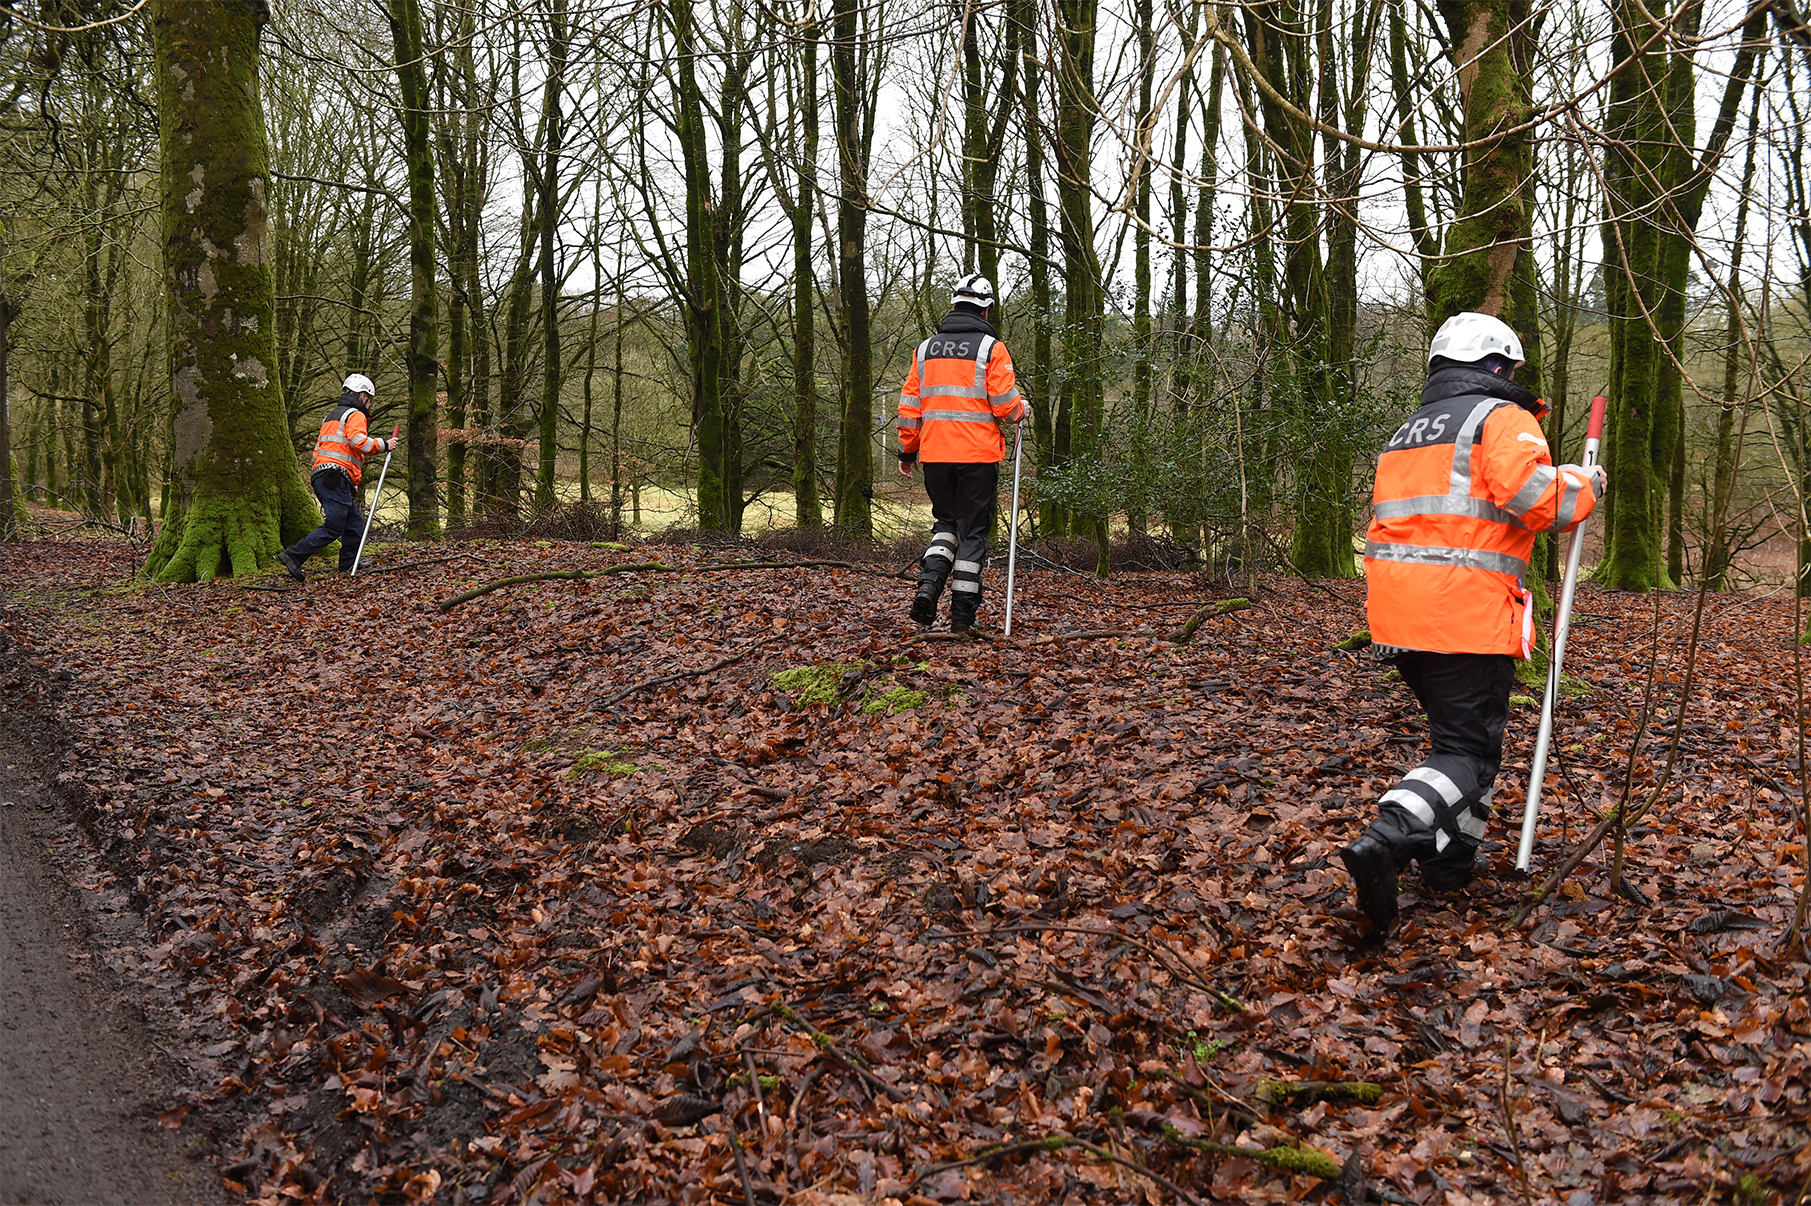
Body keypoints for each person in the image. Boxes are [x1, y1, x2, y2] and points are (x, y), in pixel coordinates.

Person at [1339, 312, 1607, 932]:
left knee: (1459, 746)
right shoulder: (1500, 417)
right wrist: (1584, 482)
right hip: (1460, 612)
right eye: (1509, 369)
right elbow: (1540, 501)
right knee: (1468, 751)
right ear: (1496, 367)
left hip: (1398, 616)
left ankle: (1449, 867)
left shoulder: (1410, 432)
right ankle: (1388, 836)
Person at [896, 274, 1030, 634]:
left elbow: (909, 407)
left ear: (953, 306)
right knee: (972, 533)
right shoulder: (991, 348)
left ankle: (929, 584)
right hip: (977, 457)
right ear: (986, 310)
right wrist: (1021, 411)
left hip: (936, 456)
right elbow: (1004, 406)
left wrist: (907, 451)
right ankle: (961, 618)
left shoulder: (924, 349)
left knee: (946, 524)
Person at [277, 374, 395, 582]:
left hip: (325, 475)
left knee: (354, 522)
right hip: (336, 475)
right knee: (334, 525)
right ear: (362, 396)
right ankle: (294, 555)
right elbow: (360, 442)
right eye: (369, 398)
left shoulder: (331, 416)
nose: (370, 403)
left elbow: (318, 449)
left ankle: (349, 563)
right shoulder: (355, 415)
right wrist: (385, 444)